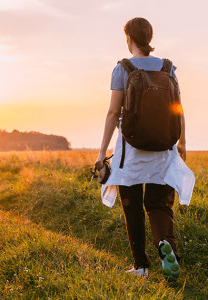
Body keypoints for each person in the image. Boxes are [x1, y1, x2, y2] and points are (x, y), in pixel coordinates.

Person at [95, 17, 195, 281]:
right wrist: (182, 142)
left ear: (129, 39)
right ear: (149, 38)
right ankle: (165, 244)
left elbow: (112, 112)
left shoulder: (123, 68)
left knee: (133, 207)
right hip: (164, 150)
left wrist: (101, 152)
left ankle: (141, 266)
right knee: (160, 205)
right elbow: (178, 108)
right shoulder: (168, 67)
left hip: (131, 153)